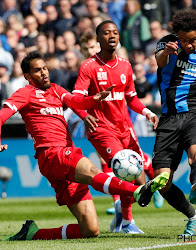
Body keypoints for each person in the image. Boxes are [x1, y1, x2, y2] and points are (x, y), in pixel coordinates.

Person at [0, 51, 169, 241]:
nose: (44, 73)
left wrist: (94, 99)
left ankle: (32, 233)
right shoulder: (24, 94)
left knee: (90, 229)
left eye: (44, 68)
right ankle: (137, 191)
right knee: (92, 170)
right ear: (27, 76)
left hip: (62, 158)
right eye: (37, 71)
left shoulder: (56, 90)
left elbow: (76, 101)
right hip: (52, 153)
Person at [73, 21, 160, 234]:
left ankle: (123, 211)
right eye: (106, 33)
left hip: (124, 128)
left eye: (115, 32)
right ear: (98, 39)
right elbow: (76, 98)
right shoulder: (89, 67)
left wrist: (147, 112)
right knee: (126, 167)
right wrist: (84, 115)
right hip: (101, 128)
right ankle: (127, 222)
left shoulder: (125, 65)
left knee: (133, 168)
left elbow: (131, 98)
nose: (112, 36)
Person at [153, 9, 196, 236]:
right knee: (161, 179)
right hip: (168, 117)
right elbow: (159, 63)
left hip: (195, 112)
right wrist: (167, 52)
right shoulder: (167, 44)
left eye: (192, 40)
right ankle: (194, 216)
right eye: (183, 40)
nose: (187, 45)